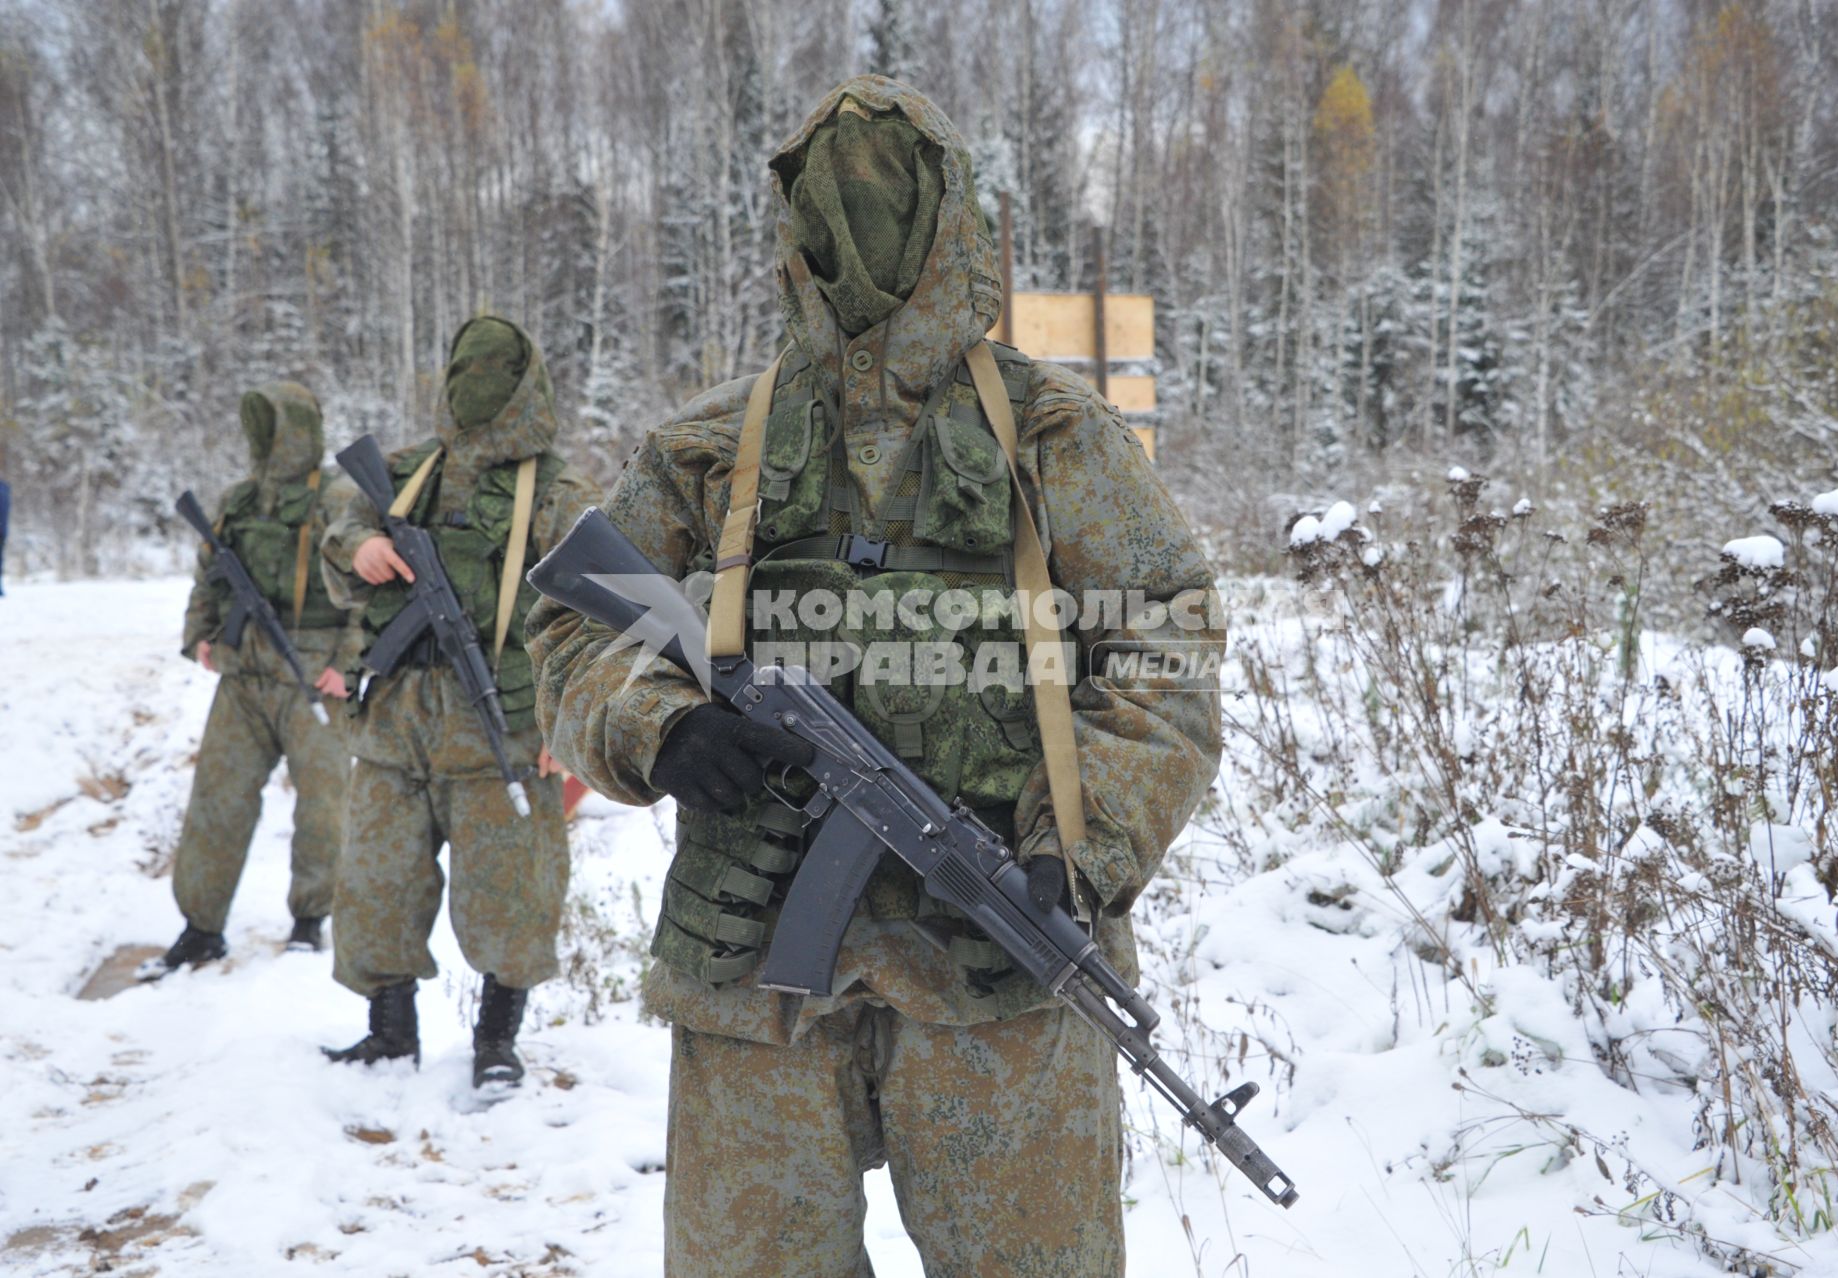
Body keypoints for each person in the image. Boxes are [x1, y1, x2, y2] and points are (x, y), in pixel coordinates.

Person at [527, 77, 1223, 1277]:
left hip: (999, 972)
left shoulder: (1055, 436)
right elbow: (573, 634)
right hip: (753, 972)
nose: (858, 234)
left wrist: (1082, 842)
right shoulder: (713, 445)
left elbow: (1164, 643)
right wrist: (663, 730)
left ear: (949, 220)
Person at [319, 315, 591, 1088]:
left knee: (513, 893)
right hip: (393, 722)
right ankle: (389, 1032)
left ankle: (497, 1042)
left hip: (502, 727)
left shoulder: (556, 491)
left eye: (494, 372)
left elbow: (602, 613)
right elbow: (342, 523)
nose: (476, 386)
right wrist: (359, 548)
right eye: (466, 369)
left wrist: (569, 722)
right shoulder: (409, 472)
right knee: (375, 881)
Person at [140, 382, 355, 979]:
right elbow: (208, 579)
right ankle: (201, 926)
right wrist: (200, 637)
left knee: (324, 804)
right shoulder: (239, 500)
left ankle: (311, 920)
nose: (264, 441)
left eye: (273, 428)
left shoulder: (339, 501)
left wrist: (351, 661)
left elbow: (372, 593)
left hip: (315, 676)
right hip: (244, 674)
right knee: (218, 797)